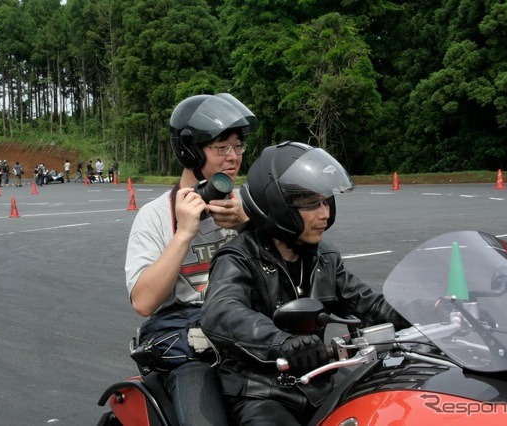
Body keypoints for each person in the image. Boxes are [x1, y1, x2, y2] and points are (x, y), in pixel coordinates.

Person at [200, 142, 409, 425]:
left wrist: (427, 310)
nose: (324, 213)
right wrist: (281, 341)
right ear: (276, 206)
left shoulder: (324, 257)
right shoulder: (238, 256)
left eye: (325, 201)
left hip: (318, 383)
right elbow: (221, 311)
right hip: (261, 392)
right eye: (311, 204)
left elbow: (369, 304)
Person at [124, 93, 258, 426]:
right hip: (190, 350)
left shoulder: (249, 206)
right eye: (221, 147)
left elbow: (289, 268)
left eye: (238, 146)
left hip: (251, 334)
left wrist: (250, 225)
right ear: (190, 151)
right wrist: (183, 233)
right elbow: (143, 301)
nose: (233, 157)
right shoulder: (155, 216)